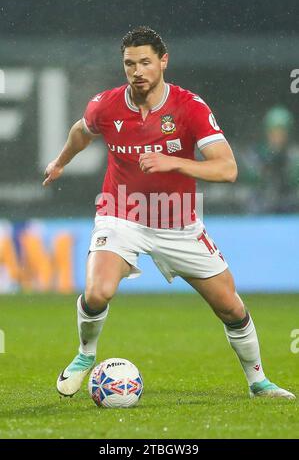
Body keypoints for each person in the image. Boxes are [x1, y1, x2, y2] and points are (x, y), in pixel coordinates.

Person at [43, 26, 295, 400]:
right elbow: (82, 131)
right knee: (97, 292)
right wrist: (60, 162)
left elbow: (227, 169)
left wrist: (173, 163)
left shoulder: (189, 107)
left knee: (231, 307)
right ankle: (84, 356)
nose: (137, 71)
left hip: (177, 221)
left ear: (163, 61)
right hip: (121, 213)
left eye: (145, 62)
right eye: (130, 63)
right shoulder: (106, 105)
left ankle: (258, 382)